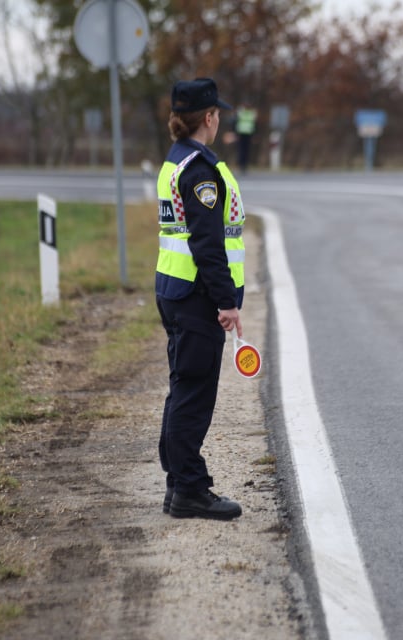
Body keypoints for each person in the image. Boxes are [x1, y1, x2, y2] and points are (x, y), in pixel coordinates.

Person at [155, 78, 246, 521]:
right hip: (196, 296)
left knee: (182, 389)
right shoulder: (199, 171)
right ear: (209, 118)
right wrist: (227, 302)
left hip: (175, 290)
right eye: (218, 115)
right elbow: (208, 245)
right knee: (193, 394)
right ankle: (190, 489)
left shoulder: (175, 161)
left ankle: (178, 484)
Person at [234, 102, 257, 173]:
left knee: (245, 150)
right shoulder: (244, 113)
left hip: (248, 134)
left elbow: (254, 124)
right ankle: (241, 165)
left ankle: (244, 165)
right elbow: (236, 122)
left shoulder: (250, 113)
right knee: (242, 150)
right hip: (242, 134)